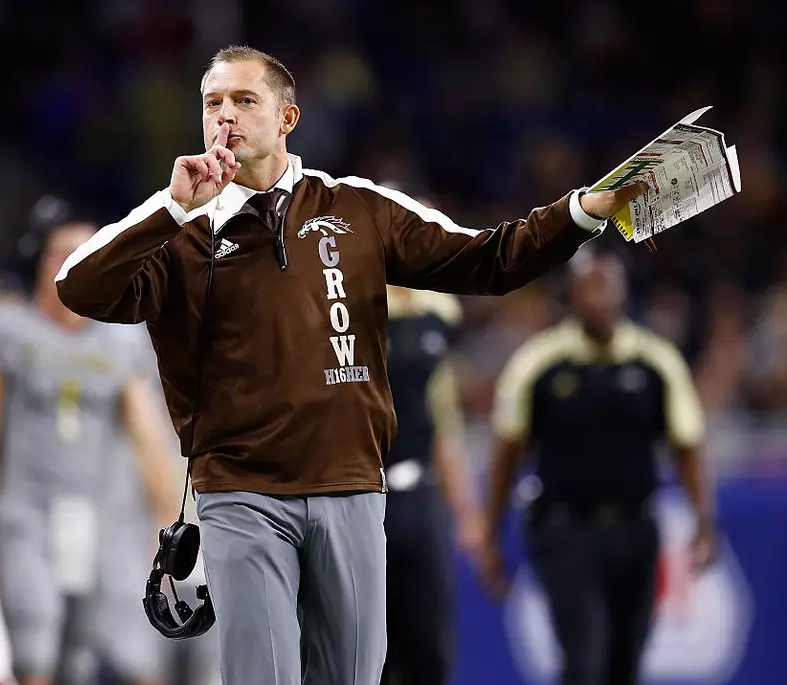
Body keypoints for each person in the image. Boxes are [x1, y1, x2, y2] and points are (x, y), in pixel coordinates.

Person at [54, 44, 646, 685]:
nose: (225, 116)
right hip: (241, 494)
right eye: (212, 103)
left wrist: (582, 212)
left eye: (244, 100)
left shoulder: (358, 208)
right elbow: (77, 288)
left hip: (353, 488)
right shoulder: (180, 234)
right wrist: (169, 209)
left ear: (287, 119)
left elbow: (489, 260)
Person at [0, 210, 179, 685]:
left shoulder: (119, 341)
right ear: (42, 262)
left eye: (86, 251)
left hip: (100, 512)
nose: (74, 261)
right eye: (61, 252)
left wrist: (168, 518)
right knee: (34, 636)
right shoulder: (10, 332)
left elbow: (147, 435)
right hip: (27, 508)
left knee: (109, 648)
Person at [480, 249, 717, 685]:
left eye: (606, 285)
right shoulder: (540, 364)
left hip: (636, 528)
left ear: (624, 291)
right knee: (584, 657)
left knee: (626, 663)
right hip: (564, 530)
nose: (599, 298)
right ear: (571, 295)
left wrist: (704, 523)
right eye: (589, 286)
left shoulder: (655, 361)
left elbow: (687, 446)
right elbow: (506, 453)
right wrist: (489, 534)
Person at [381, 284, 482, 685]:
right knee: (372, 652)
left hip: (423, 492)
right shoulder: (346, 299)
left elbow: (442, 412)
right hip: (363, 494)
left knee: (433, 649)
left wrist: (467, 509)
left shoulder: (438, 309)